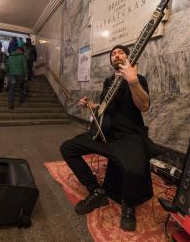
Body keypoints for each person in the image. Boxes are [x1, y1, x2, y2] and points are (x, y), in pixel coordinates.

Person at [60, 45, 153, 232]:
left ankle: (129, 204)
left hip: (129, 136)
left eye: (120, 53)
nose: (116, 55)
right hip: (106, 134)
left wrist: (133, 81)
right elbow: (104, 109)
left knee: (134, 169)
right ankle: (96, 190)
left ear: (128, 57)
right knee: (68, 148)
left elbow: (144, 106)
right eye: (113, 54)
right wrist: (90, 106)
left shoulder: (138, 79)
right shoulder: (108, 82)